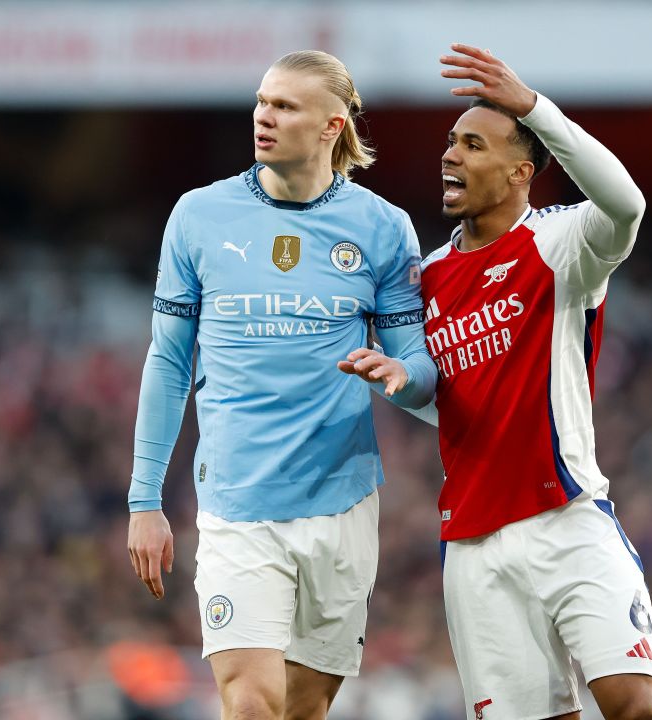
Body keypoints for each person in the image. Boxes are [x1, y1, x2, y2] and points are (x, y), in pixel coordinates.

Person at [340, 44, 652, 720]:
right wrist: (401, 383)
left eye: (474, 145)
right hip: (474, 546)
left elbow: (627, 206)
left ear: (521, 171)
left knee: (633, 705)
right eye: (451, 143)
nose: (450, 156)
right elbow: (449, 400)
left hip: (568, 519)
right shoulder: (424, 280)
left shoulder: (558, 245)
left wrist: (536, 109)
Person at [126, 50, 436, 720]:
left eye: (285, 106)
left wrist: (403, 376)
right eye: (263, 102)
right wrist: (143, 499)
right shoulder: (199, 216)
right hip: (237, 502)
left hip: (342, 501)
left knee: (303, 709)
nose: (265, 116)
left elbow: (419, 367)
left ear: (331, 126)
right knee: (251, 699)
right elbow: (168, 361)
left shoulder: (382, 229)